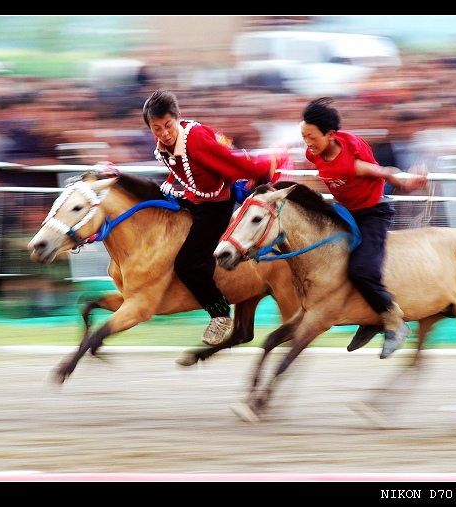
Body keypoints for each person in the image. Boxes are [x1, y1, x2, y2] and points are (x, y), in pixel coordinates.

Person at [143, 89, 290, 346]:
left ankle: (220, 313)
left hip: (215, 208)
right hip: (194, 199)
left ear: (178, 117)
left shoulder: (196, 140)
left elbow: (230, 163)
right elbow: (185, 167)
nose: (164, 133)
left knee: (187, 265)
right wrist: (171, 182)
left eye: (168, 125)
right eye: (156, 128)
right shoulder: (163, 145)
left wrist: (267, 164)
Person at [300, 97, 428, 359]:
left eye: (312, 137)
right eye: (304, 137)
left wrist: (408, 182)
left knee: (362, 270)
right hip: (345, 212)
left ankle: (394, 322)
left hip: (372, 213)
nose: (308, 144)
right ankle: (369, 319)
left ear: (331, 135)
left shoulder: (350, 163)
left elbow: (385, 172)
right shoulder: (312, 153)